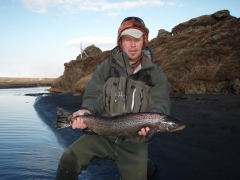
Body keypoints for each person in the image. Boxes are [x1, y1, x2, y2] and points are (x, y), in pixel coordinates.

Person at [56, 16, 170, 180]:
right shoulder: (104, 68)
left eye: (137, 38)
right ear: (120, 42)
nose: (132, 44)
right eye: (127, 39)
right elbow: (94, 96)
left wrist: (151, 123)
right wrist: (87, 110)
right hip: (102, 134)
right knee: (68, 160)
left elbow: (160, 104)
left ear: (144, 41)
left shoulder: (156, 74)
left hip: (134, 143)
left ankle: (145, 165)